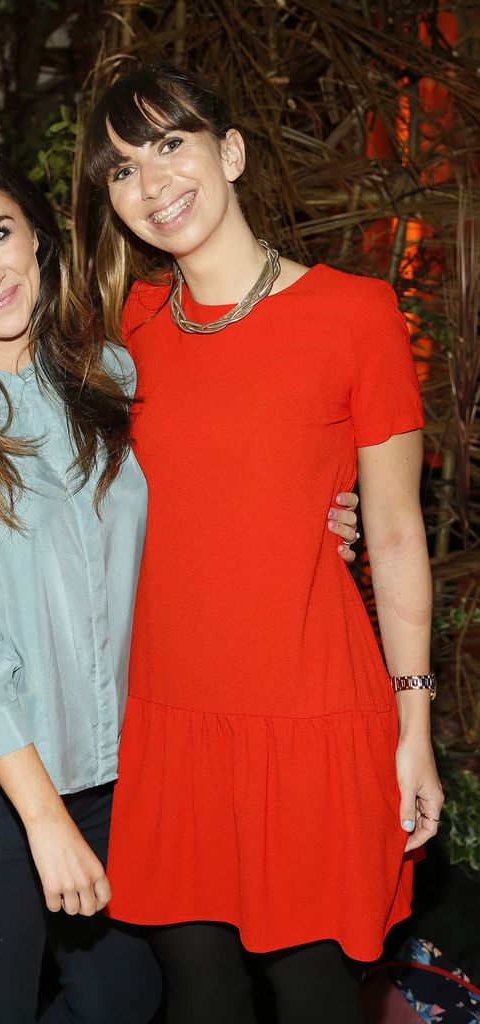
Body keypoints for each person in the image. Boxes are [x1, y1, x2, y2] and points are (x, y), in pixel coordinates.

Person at [0, 133, 358, 1022]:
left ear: (39, 238)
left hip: (133, 786)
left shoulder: (113, 379)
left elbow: (208, 507)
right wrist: (44, 821)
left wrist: (317, 522)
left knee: (127, 1007)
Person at [79, 64, 444, 1024]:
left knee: (314, 991)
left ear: (230, 152)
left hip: (310, 711)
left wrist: (414, 724)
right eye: (121, 169)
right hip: (170, 719)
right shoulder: (131, 328)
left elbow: (398, 528)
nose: (152, 184)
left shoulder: (356, 313)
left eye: (170, 144)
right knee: (197, 996)